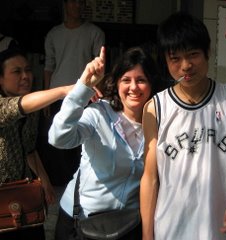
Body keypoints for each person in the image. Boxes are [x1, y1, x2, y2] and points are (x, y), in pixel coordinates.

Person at [140, 12, 226, 240]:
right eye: (175, 58)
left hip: (219, 228)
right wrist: (147, 235)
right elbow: (150, 177)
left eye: (193, 54)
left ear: (207, 53)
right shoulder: (155, 108)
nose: (185, 66)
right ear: (165, 60)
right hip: (169, 229)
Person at [48, 46, 159, 240]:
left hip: (128, 224)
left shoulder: (160, 123)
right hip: (82, 221)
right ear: (116, 84)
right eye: (126, 80)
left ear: (151, 84)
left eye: (141, 80)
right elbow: (59, 137)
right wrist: (83, 86)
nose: (133, 87)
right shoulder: (98, 114)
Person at [0, 48, 73, 239]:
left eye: (28, 70)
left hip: (23, 197)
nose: (25, 76)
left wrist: (44, 181)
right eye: (16, 72)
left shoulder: (33, 110)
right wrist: (64, 90)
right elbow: (15, 107)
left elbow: (30, 149)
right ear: (0, 79)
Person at [41, 0, 105, 186]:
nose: (79, 6)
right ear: (65, 4)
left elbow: (100, 67)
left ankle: (80, 183)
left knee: (83, 143)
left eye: (82, 2)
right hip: (58, 95)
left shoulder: (95, 32)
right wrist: (46, 97)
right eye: (74, 2)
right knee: (57, 143)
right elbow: (48, 67)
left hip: (86, 96)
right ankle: (61, 185)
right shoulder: (54, 34)